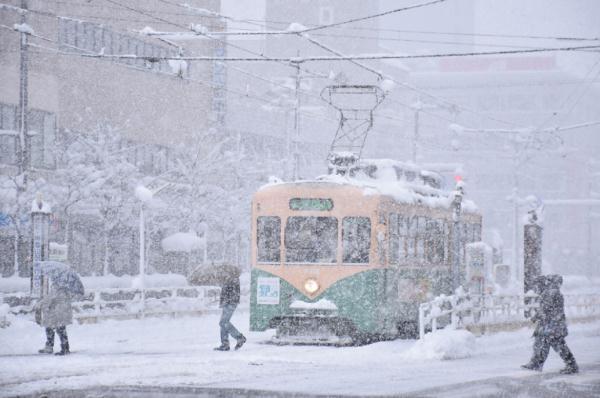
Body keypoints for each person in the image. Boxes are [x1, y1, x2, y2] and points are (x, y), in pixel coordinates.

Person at [521, 275, 578, 374]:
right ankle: (536, 363)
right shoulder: (549, 292)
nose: (536, 288)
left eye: (537, 285)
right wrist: (537, 316)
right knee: (542, 342)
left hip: (553, 324)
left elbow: (546, 308)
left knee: (558, 345)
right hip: (550, 324)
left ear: (542, 283)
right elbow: (546, 308)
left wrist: (537, 316)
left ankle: (571, 365)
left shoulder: (551, 292)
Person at [214, 265, 246, 351]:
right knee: (223, 323)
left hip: (231, 303)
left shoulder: (233, 279)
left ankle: (239, 337)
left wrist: (226, 300)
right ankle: (225, 344)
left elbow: (231, 292)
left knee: (223, 322)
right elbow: (226, 291)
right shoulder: (230, 279)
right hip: (227, 303)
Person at [34, 286, 73, 355]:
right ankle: (64, 347)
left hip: (57, 315)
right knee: (60, 330)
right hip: (63, 314)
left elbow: (48, 300)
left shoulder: (57, 290)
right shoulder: (67, 290)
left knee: (53, 329)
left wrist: (39, 304)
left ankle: (57, 348)